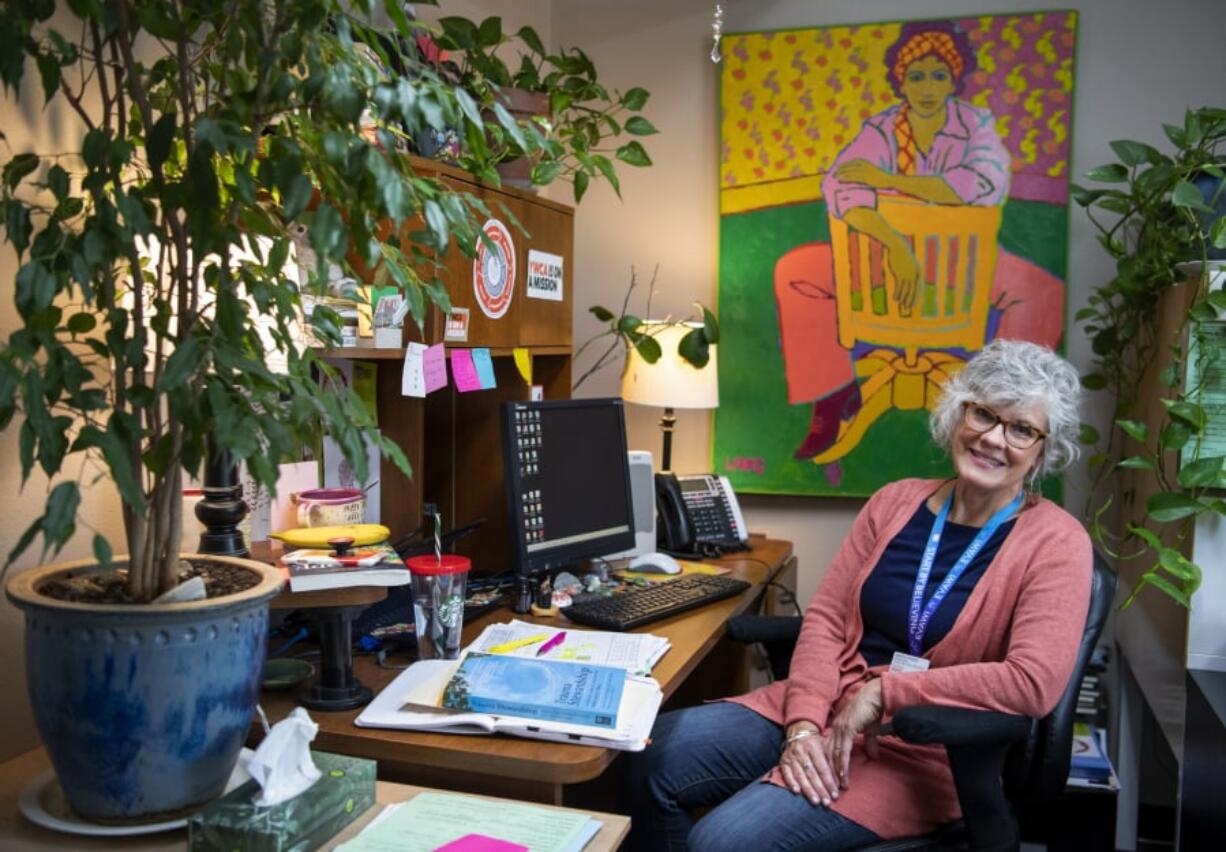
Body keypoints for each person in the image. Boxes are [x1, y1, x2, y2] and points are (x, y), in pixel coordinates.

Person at [624, 340, 1092, 851]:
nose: (993, 439)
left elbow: (1032, 683)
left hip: (921, 747)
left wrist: (887, 691)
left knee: (721, 842)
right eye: (983, 414)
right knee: (644, 755)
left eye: (1021, 429)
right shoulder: (894, 501)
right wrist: (802, 724)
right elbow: (826, 619)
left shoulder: (1058, 542)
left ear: (1044, 450)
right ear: (958, 414)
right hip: (823, 704)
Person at [776, 20, 1063, 460]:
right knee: (794, 271)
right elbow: (842, 187)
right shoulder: (882, 128)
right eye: (916, 75)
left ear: (953, 79)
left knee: (1044, 293)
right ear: (900, 81)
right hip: (881, 259)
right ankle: (833, 394)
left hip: (964, 266)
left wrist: (888, 181)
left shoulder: (974, 125)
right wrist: (895, 245)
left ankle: (1002, 410)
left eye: (938, 74)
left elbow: (981, 182)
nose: (927, 86)